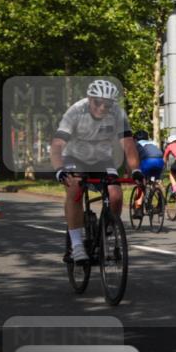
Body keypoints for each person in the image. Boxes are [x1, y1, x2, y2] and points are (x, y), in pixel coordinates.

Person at [50, 79, 143, 262]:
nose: (101, 108)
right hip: (74, 156)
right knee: (75, 187)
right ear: (89, 98)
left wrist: (136, 170)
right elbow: (57, 144)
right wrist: (59, 169)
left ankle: (105, 233)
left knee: (115, 194)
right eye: (97, 102)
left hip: (101, 158)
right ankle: (76, 245)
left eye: (107, 104)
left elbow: (128, 143)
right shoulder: (76, 111)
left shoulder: (117, 113)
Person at [131, 130, 164, 209]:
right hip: (159, 161)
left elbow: (133, 160)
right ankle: (161, 199)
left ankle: (138, 206)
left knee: (140, 181)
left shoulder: (136, 144)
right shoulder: (152, 143)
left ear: (135, 139)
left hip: (147, 161)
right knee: (156, 181)